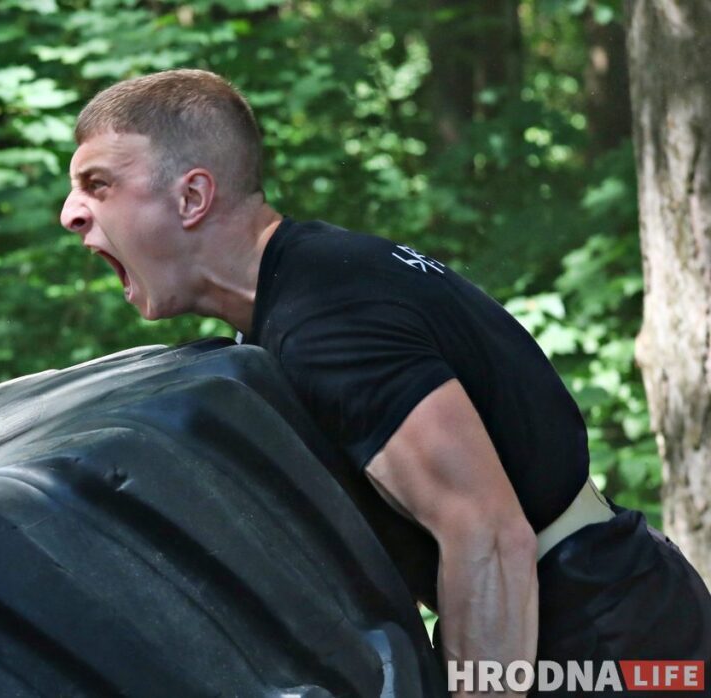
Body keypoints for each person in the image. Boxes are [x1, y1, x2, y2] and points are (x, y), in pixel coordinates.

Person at [59, 68, 711, 692]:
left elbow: (485, 534)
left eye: (99, 183)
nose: (71, 214)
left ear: (193, 196)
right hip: (595, 616)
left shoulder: (325, 319)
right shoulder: (307, 284)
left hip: (603, 644)